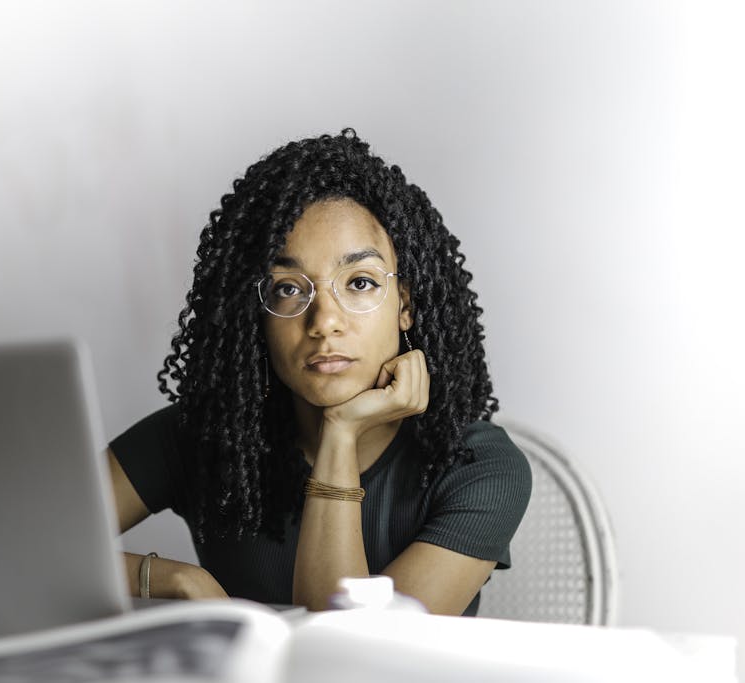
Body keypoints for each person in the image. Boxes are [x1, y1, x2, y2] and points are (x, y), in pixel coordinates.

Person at [107, 129, 531, 616]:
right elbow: (13, 545)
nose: (324, 321)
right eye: (288, 289)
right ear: (257, 315)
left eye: (360, 282)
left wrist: (341, 431)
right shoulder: (205, 436)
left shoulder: (478, 465)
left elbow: (352, 656)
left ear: (405, 306)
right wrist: (177, 579)